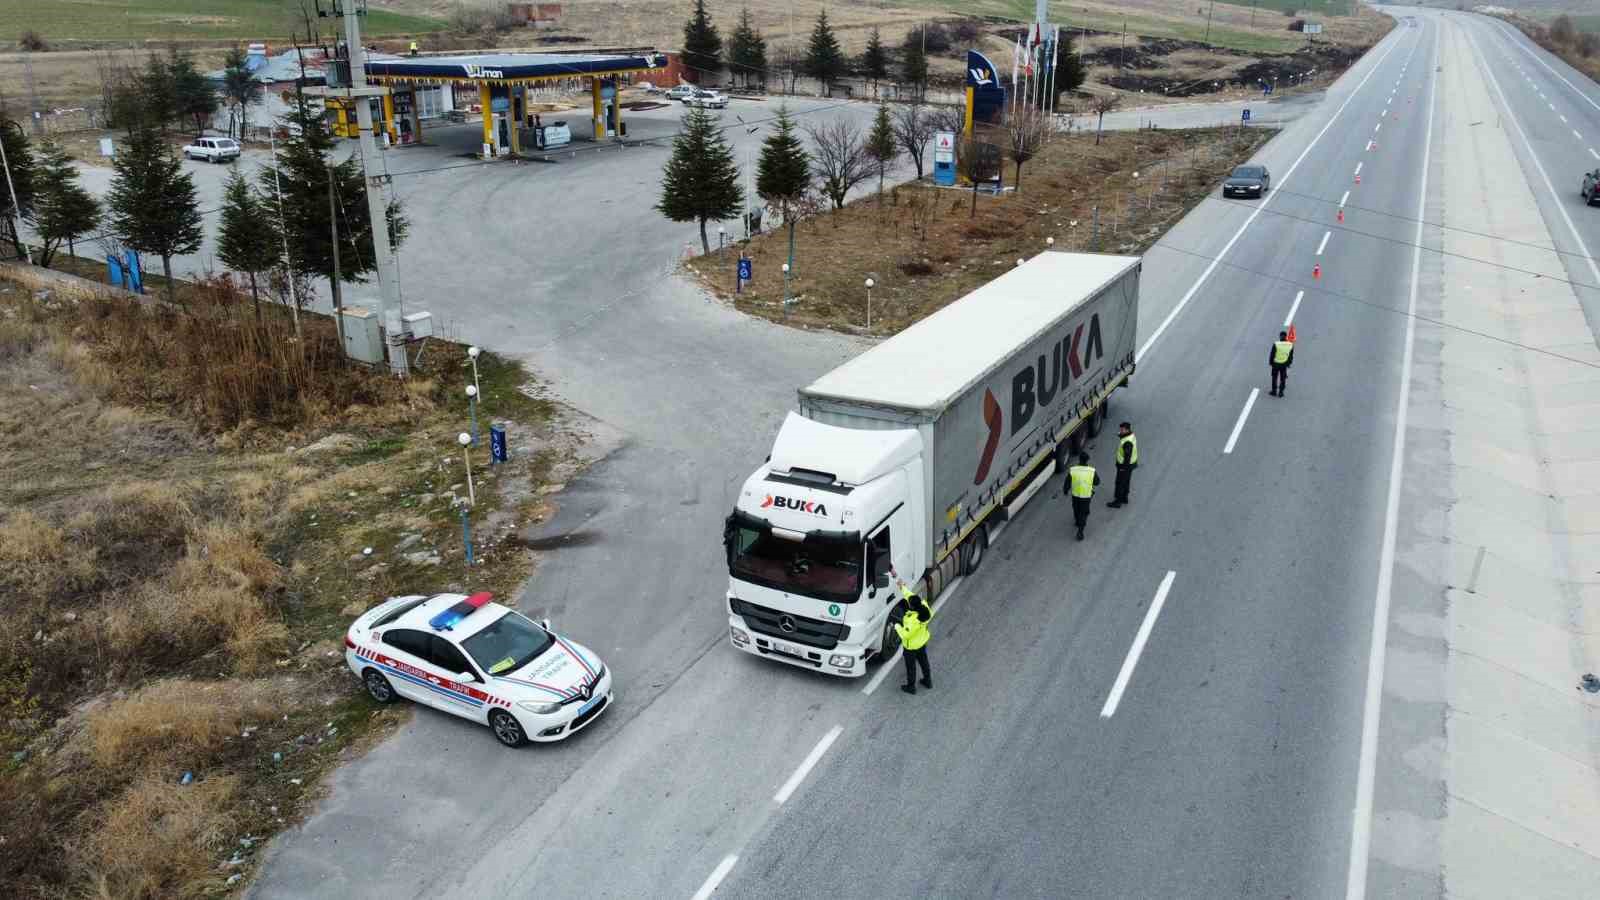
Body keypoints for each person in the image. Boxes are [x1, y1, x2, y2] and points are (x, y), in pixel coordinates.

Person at [891, 571, 933, 694]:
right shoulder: (923, 607)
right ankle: (928, 680)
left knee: (911, 667)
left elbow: (905, 634)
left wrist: (897, 626)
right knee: (924, 662)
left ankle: (911, 687)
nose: (908, 602)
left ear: (912, 607)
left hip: (911, 647)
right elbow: (909, 595)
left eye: (910, 604)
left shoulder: (913, 621)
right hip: (921, 643)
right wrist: (900, 583)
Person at [1064, 451, 1100, 541]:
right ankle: (1080, 531)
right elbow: (1097, 482)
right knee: (1084, 513)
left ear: (1079, 459)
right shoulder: (1092, 471)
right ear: (1087, 460)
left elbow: (1067, 482)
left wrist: (1065, 490)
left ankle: (1077, 521)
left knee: (1076, 509)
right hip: (1086, 496)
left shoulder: (1073, 470)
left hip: (1075, 495)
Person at [1107, 422, 1137, 508]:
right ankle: (1124, 498)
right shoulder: (1131, 435)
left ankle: (1117, 502)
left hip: (1125, 465)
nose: (1120, 431)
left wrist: (1123, 468)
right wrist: (1120, 435)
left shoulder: (1127, 442)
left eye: (1122, 429)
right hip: (1131, 464)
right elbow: (1123, 436)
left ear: (1127, 430)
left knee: (1119, 483)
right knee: (1126, 481)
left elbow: (1127, 456)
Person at [1269, 330, 1295, 397]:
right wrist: (1288, 364)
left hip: (1276, 363)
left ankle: (1274, 391)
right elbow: (1290, 356)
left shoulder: (1276, 344)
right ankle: (1281, 392)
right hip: (1284, 364)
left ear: (1280, 336)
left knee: (1274, 377)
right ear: (1286, 337)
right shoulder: (1290, 345)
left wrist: (1271, 363)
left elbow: (1272, 354)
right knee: (1283, 378)